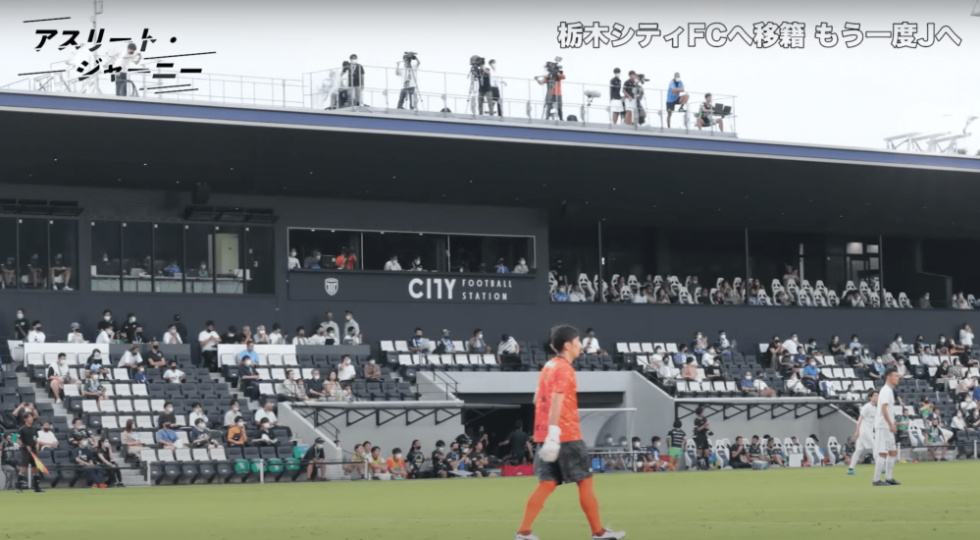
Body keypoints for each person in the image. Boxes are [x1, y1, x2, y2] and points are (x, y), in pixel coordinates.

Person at [515, 325, 624, 540]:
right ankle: (598, 532)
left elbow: (537, 399)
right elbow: (556, 400)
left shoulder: (548, 366)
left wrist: (548, 434)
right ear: (567, 345)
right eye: (577, 341)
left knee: (546, 483)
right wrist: (555, 431)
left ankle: (524, 532)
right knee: (585, 481)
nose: (580, 345)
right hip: (566, 434)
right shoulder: (565, 368)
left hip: (547, 435)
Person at [873, 368, 901, 486]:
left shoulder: (889, 390)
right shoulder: (885, 391)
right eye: (896, 376)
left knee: (893, 452)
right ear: (889, 377)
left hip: (888, 426)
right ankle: (876, 480)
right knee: (883, 452)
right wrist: (890, 424)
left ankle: (888, 478)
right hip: (884, 426)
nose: (898, 378)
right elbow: (884, 408)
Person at [847, 390, 878, 475]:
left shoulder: (875, 408)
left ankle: (850, 469)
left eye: (878, 396)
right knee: (875, 447)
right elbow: (860, 418)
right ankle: (880, 467)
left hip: (868, 431)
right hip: (864, 431)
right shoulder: (867, 407)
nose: (877, 397)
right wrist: (857, 431)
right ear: (870, 397)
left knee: (858, 450)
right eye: (875, 396)